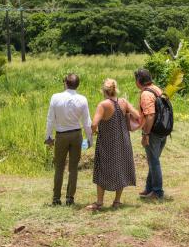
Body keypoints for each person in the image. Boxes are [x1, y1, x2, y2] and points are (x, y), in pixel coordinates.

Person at [86, 79, 141, 211]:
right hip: (123, 141)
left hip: (107, 142)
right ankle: (117, 201)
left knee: (102, 169)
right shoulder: (123, 102)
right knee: (121, 168)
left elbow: (93, 124)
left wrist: (93, 132)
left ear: (104, 91)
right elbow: (137, 115)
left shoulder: (103, 105)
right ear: (115, 89)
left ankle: (99, 202)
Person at [44, 73, 92, 206]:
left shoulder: (55, 97)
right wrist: (90, 138)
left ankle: (56, 198)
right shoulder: (82, 99)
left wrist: (48, 136)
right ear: (78, 84)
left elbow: (50, 119)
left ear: (65, 83)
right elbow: (87, 122)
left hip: (61, 135)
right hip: (76, 134)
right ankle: (70, 197)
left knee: (59, 167)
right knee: (73, 168)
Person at [135, 69, 167, 200]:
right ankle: (149, 188)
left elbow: (150, 116)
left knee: (153, 161)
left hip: (153, 132)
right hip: (162, 130)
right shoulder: (157, 89)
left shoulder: (146, 94)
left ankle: (157, 192)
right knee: (152, 160)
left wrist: (145, 134)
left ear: (138, 81)